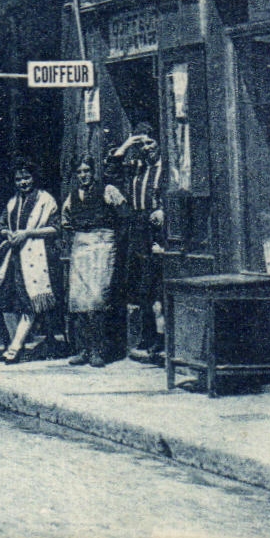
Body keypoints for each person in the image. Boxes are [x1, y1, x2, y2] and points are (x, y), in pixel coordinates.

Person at [0, 158, 60, 364]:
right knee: (7, 301)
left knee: (30, 301)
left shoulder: (45, 200)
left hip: (38, 256)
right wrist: (7, 233)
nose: (23, 183)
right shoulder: (13, 202)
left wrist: (28, 233)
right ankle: (16, 342)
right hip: (13, 256)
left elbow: (56, 228)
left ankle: (15, 347)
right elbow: (2, 224)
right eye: (19, 179)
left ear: (34, 178)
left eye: (27, 178)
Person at [63, 154, 125, 367]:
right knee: (79, 297)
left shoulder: (107, 189)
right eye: (79, 172)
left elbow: (123, 213)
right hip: (81, 242)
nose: (83, 175)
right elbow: (65, 219)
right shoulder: (73, 195)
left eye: (86, 171)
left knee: (98, 296)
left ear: (93, 171)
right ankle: (83, 350)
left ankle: (99, 351)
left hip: (102, 242)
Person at [114, 124, 166, 363]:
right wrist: (127, 144)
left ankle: (161, 339)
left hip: (158, 232)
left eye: (150, 143)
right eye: (142, 145)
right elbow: (111, 168)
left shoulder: (166, 169)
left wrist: (164, 212)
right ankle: (147, 337)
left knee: (155, 286)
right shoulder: (137, 167)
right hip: (137, 230)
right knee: (139, 287)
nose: (147, 149)